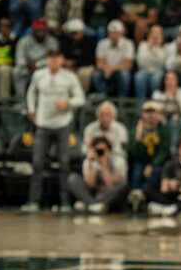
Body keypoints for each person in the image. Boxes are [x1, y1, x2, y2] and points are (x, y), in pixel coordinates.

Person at [21, 48, 85, 213]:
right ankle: (33, 200)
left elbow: (80, 98)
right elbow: (31, 93)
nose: (54, 61)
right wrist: (31, 109)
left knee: (64, 164)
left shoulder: (69, 77)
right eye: (51, 58)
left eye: (57, 58)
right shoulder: (39, 75)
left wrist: (68, 103)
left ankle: (65, 201)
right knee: (37, 163)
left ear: (62, 59)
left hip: (63, 124)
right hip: (43, 124)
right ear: (47, 59)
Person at [68, 135, 128, 214]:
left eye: (102, 150)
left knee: (123, 186)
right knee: (73, 178)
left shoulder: (118, 161)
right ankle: (94, 205)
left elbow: (109, 184)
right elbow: (90, 184)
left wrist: (104, 165)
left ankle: (88, 204)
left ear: (109, 150)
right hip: (94, 193)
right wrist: (90, 163)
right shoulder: (89, 161)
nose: (100, 153)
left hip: (109, 196)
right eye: (97, 151)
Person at [127, 100, 171, 207]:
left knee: (155, 172)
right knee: (136, 171)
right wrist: (138, 136)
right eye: (147, 112)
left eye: (153, 112)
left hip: (157, 163)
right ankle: (134, 198)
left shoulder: (163, 129)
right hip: (141, 161)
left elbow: (164, 151)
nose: (150, 115)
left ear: (158, 114)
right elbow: (133, 152)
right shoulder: (135, 131)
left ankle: (146, 198)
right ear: (143, 114)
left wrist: (152, 164)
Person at [145, 133, 181, 217]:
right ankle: (177, 209)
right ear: (178, 150)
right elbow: (163, 188)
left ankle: (169, 209)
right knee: (148, 189)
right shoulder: (170, 165)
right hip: (173, 196)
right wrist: (170, 184)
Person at [12, 17, 59, 98]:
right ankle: (20, 99)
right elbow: (19, 57)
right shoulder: (24, 41)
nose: (41, 32)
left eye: (43, 29)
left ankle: (44, 99)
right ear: (33, 30)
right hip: (27, 67)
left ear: (46, 30)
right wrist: (26, 64)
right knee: (16, 72)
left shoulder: (52, 42)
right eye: (38, 29)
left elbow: (53, 59)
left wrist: (37, 64)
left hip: (44, 68)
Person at [93, 20, 134, 97]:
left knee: (124, 75)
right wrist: (106, 68)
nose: (113, 36)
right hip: (106, 70)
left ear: (122, 34)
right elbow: (99, 63)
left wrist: (111, 69)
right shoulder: (102, 43)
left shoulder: (128, 44)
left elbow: (128, 65)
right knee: (96, 75)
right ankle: (103, 97)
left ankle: (122, 100)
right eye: (111, 33)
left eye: (116, 33)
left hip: (119, 70)